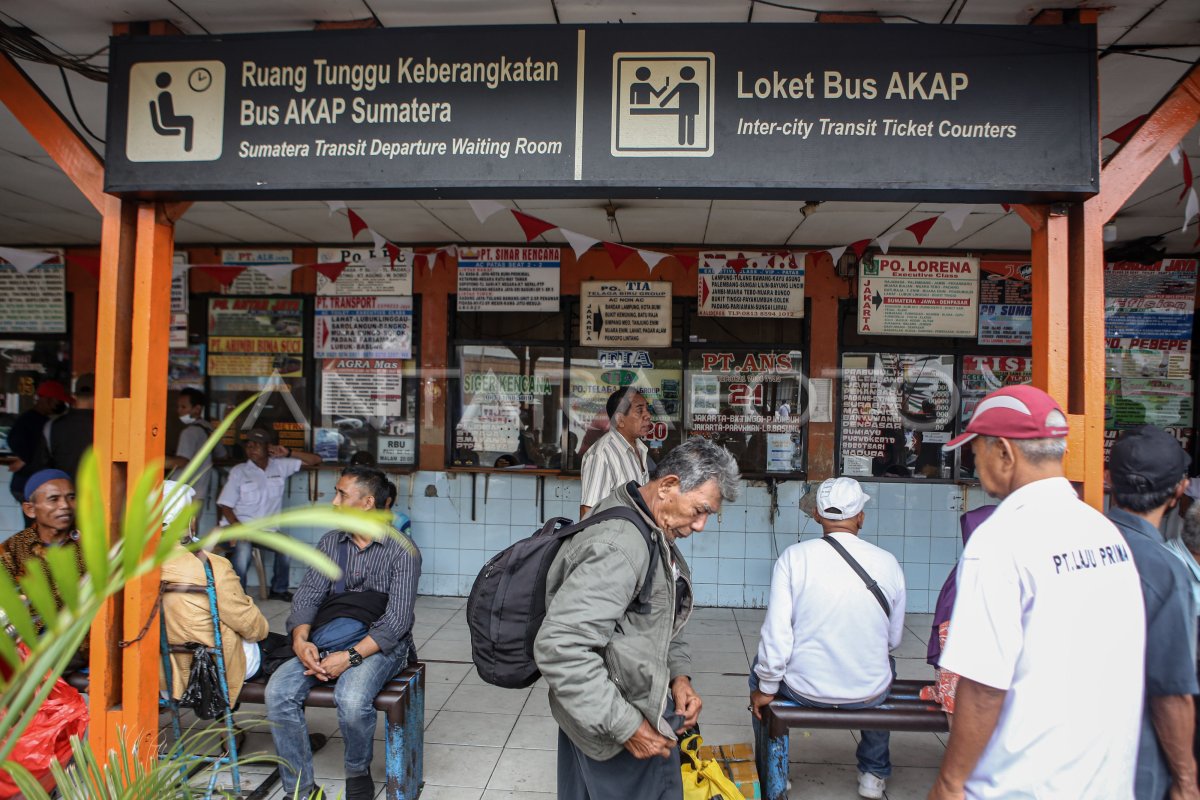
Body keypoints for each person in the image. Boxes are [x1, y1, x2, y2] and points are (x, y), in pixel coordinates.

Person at [928, 385, 1145, 800]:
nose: (974, 463)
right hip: (1104, 779)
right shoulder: (1103, 531)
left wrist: (950, 782)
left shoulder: (1000, 541)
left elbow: (982, 686)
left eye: (976, 451)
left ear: (1005, 452)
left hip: (1023, 783)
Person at [534, 437, 740, 800]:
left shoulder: (644, 517)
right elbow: (560, 646)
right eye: (700, 510)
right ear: (668, 486)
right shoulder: (620, 546)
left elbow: (654, 614)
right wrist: (628, 726)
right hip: (618, 726)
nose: (702, 525)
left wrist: (679, 676)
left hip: (596, 714)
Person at [265, 466, 421, 800]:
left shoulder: (402, 550)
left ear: (367, 502)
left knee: (351, 699)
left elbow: (396, 623)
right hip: (328, 636)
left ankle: (356, 773)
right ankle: (300, 789)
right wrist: (301, 639)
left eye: (341, 494)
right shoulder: (330, 542)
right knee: (278, 692)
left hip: (380, 643)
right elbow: (308, 596)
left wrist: (349, 657)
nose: (333, 501)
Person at [750, 477, 906, 799]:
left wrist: (765, 689)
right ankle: (873, 774)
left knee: (760, 669)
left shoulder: (793, 558)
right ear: (861, 516)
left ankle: (775, 774)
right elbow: (892, 639)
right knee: (885, 662)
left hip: (803, 690)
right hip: (868, 692)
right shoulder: (888, 562)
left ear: (818, 516)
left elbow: (776, 637)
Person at [1106, 425, 1198, 800]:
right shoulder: (1165, 570)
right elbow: (1171, 692)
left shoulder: (1083, 542)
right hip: (1134, 762)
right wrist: (1187, 780)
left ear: (1109, 479)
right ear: (1179, 490)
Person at [159, 480, 269, 706]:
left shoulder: (130, 565)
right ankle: (229, 728)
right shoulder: (211, 566)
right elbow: (253, 627)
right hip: (206, 672)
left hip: (161, 674)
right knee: (279, 648)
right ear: (189, 520)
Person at [216, 428, 321, 600]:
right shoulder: (239, 471)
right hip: (237, 528)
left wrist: (288, 453)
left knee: (287, 545)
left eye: (256, 445)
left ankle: (278, 590)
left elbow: (316, 460)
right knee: (243, 548)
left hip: (266, 530)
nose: (251, 449)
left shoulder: (280, 465)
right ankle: (238, 595)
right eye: (248, 445)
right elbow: (225, 505)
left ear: (269, 447)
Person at [0, 469, 86, 664]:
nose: (65, 505)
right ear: (30, 509)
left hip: (81, 642)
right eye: (53, 499)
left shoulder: (90, 545)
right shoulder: (13, 549)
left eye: (71, 498)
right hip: (29, 644)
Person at [921, 506, 996, 721]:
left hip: (961, 680)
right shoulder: (1013, 571)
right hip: (985, 682)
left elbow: (945, 628)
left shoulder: (963, 573)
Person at [579, 387, 653, 518]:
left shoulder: (640, 449)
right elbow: (588, 512)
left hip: (636, 535)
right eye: (640, 410)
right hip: (612, 537)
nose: (648, 415)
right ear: (620, 420)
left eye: (647, 409)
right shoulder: (601, 455)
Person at [5, 380, 71, 519]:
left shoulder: (36, 420)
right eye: (58, 402)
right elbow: (16, 442)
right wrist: (24, 458)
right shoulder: (35, 422)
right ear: (46, 400)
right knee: (38, 528)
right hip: (29, 485)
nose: (61, 406)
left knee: (40, 527)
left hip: (28, 484)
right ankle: (26, 542)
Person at [163, 389, 219, 510]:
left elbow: (182, 461)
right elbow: (222, 454)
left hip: (182, 492)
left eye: (183, 407)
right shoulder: (209, 429)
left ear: (197, 409)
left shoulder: (190, 432)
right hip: (200, 490)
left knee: (178, 528)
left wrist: (154, 462)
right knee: (192, 527)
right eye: (178, 407)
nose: (179, 411)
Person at [37, 373, 94, 481]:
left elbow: (42, 467)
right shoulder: (109, 426)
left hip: (64, 494)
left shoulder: (52, 426)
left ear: (75, 396)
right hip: (98, 495)